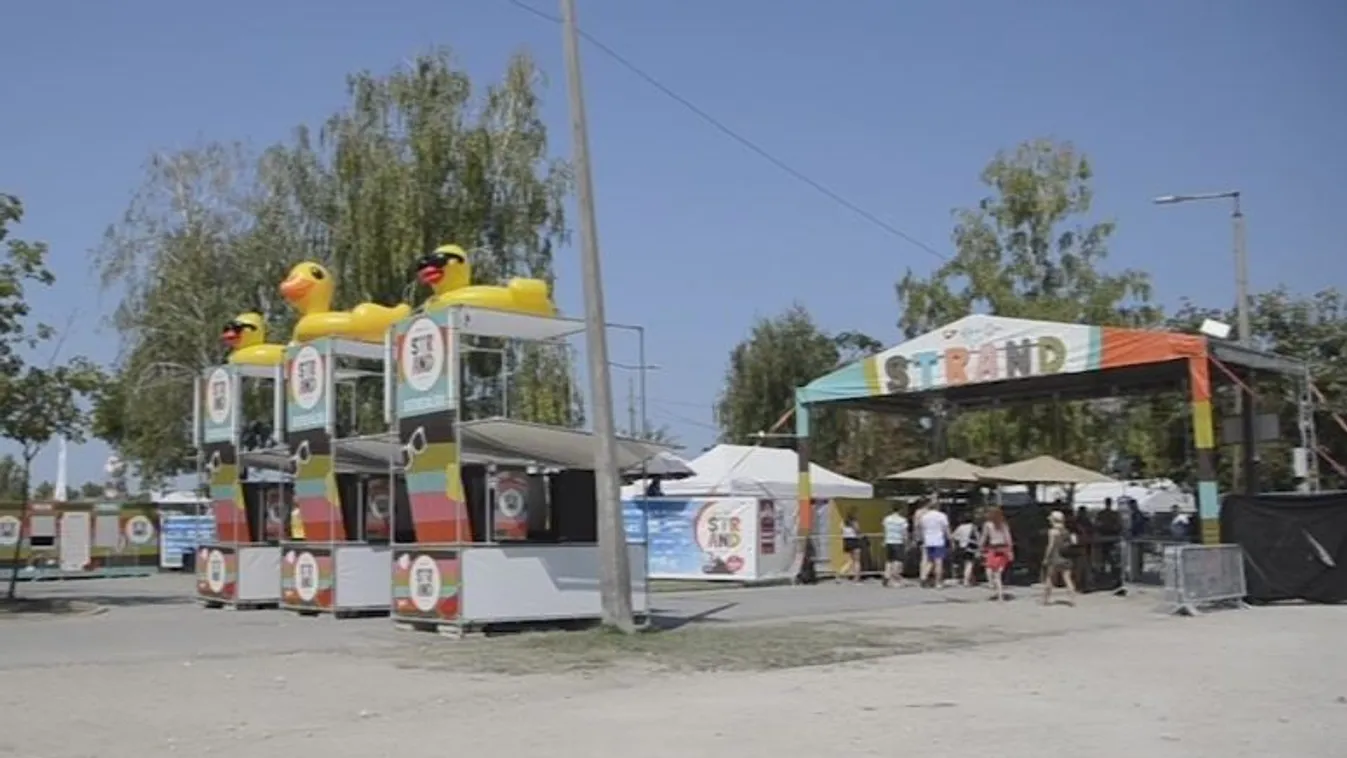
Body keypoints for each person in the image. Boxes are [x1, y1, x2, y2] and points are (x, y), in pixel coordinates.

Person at [1042, 510, 1079, 606]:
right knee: (1067, 578)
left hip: (1055, 557)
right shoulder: (1066, 530)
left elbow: (1050, 546)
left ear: (1053, 519)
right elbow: (1074, 542)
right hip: (1066, 557)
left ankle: (1046, 599)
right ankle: (1073, 600)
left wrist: (1046, 557)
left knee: (1050, 578)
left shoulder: (1052, 531)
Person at [981, 507, 1014, 601]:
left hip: (993, 548)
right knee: (998, 574)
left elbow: (984, 537)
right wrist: (1010, 550)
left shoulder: (987, 524)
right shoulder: (1003, 524)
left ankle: (992, 585)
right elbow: (1008, 538)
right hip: (1003, 548)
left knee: (989, 569)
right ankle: (1000, 595)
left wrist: (980, 547)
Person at [917, 500, 951, 588]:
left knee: (929, 561)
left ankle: (923, 577)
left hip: (928, 541)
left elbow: (921, 529)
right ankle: (938, 582)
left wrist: (922, 539)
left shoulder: (924, 517)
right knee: (939, 562)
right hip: (938, 541)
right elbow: (946, 529)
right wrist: (949, 539)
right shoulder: (942, 516)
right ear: (938, 507)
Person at [881, 504, 909, 587]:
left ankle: (886, 576)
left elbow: (885, 530)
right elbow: (904, 532)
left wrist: (884, 540)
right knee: (897, 561)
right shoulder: (902, 520)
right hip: (898, 541)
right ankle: (894, 580)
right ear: (900, 510)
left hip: (889, 541)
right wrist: (906, 542)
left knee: (889, 560)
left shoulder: (887, 519)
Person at [951, 515, 980, 587]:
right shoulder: (973, 527)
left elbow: (953, 536)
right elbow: (978, 537)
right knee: (969, 564)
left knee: (965, 564)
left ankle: (971, 579)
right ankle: (966, 581)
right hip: (971, 547)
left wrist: (961, 539)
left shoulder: (960, 527)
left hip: (962, 547)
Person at [836, 511, 862, 583]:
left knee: (851, 560)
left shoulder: (842, 523)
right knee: (857, 561)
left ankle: (840, 573)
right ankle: (856, 579)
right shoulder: (854, 523)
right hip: (854, 541)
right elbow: (858, 531)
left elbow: (841, 531)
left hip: (846, 541)